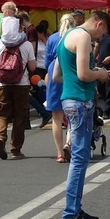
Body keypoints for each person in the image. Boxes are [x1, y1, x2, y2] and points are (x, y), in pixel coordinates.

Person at [54, 10, 110, 219]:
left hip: (71, 98)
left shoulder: (66, 36)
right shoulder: (84, 37)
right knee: (79, 158)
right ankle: (70, 213)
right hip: (80, 101)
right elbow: (83, 75)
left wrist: (89, 72)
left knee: (81, 157)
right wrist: (99, 74)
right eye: (103, 32)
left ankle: (75, 209)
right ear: (98, 24)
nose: (101, 37)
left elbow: (57, 75)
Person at [0, 14, 36, 160]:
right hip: (21, 84)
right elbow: (32, 67)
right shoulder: (26, 44)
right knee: (19, 116)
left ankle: (1, 137)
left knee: (2, 114)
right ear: (19, 27)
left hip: (2, 84)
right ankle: (16, 149)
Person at [45, 14, 75, 163]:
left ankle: (59, 153)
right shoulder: (77, 36)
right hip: (71, 75)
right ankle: (68, 143)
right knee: (72, 116)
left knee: (56, 118)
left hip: (54, 76)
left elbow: (46, 62)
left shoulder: (52, 38)